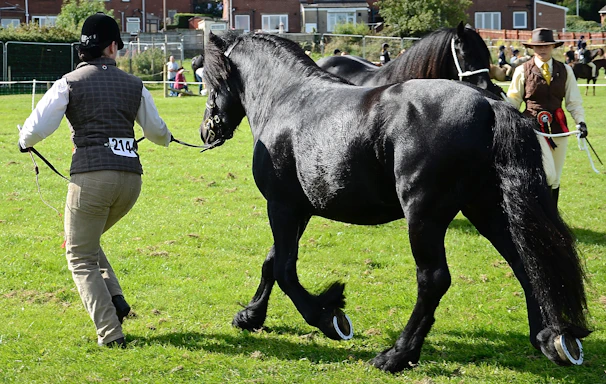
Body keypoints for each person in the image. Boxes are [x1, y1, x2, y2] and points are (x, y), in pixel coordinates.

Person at [18, 12, 173, 348]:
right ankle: (115, 298)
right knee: (88, 242)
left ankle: (110, 333)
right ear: (113, 46)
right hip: (131, 183)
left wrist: (23, 141)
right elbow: (157, 132)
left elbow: (38, 126)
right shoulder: (135, 84)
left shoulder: (69, 81)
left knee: (79, 254)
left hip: (91, 180)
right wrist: (169, 138)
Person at [506, 28, 588, 206]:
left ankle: (551, 220)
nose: (541, 50)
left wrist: (580, 122)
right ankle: (539, 213)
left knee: (556, 178)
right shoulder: (522, 70)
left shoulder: (566, 70)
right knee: (548, 174)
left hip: (559, 128)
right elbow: (513, 100)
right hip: (532, 127)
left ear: (553, 46)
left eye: (545, 46)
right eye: (537, 47)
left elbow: (573, 101)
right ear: (532, 48)